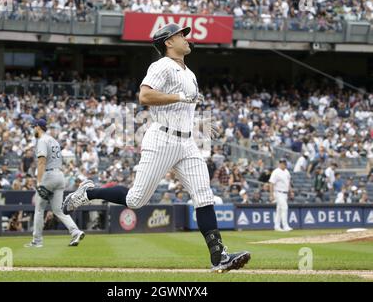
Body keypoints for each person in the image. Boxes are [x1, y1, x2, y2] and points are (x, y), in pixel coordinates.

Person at [62, 24, 250, 272]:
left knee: (204, 196)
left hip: (187, 142)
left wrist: (199, 124)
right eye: (181, 35)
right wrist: (181, 97)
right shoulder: (161, 65)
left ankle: (219, 257)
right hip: (162, 138)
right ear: (168, 42)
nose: (186, 37)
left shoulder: (189, 73)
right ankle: (88, 193)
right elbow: (145, 97)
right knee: (135, 200)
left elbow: (182, 108)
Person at [25, 119, 85, 248]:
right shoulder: (54, 140)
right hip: (59, 175)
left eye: (33, 127)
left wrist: (39, 182)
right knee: (58, 210)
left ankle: (37, 241)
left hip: (48, 175)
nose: (32, 130)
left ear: (38, 127)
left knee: (39, 209)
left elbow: (41, 162)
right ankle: (75, 231)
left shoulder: (42, 140)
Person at [269, 159, 293, 232]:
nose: (283, 164)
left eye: (284, 163)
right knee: (284, 207)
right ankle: (285, 226)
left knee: (279, 210)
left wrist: (290, 191)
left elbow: (288, 183)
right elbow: (271, 183)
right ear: (279, 164)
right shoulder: (276, 172)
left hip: (285, 193)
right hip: (278, 192)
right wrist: (271, 195)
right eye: (281, 163)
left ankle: (277, 226)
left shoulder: (287, 172)